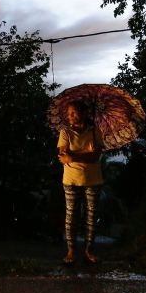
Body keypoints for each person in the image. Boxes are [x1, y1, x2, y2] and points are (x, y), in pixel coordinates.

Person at [57, 101, 104, 264]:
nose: (70, 116)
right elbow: (63, 156)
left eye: (74, 112)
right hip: (71, 179)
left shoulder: (95, 131)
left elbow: (96, 156)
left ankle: (88, 250)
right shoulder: (65, 132)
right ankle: (71, 251)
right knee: (72, 215)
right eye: (69, 113)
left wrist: (74, 156)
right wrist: (86, 151)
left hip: (93, 179)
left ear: (84, 113)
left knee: (91, 216)